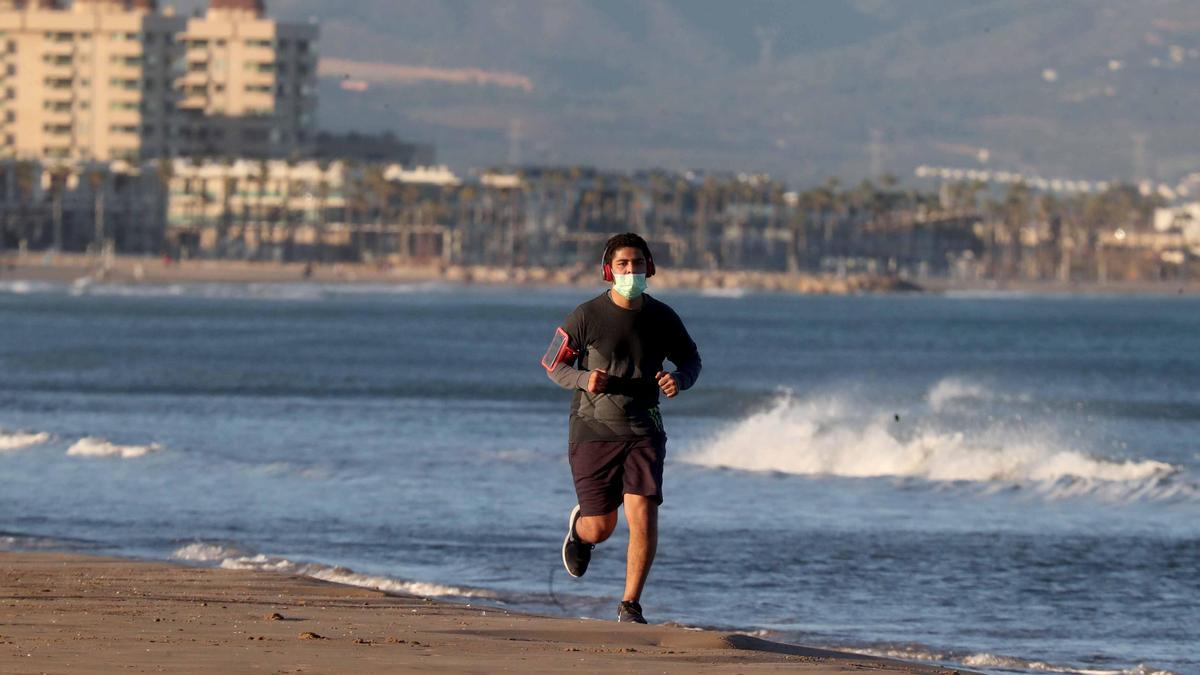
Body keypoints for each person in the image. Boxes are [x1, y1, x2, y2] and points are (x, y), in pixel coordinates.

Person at [541, 232, 702, 624]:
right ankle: (581, 532)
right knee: (602, 527)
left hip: (645, 427)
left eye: (638, 263)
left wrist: (678, 379)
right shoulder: (586, 316)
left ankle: (630, 605)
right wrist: (583, 380)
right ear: (608, 271)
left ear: (651, 268)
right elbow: (552, 364)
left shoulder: (663, 317)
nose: (631, 270)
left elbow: (692, 361)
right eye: (623, 265)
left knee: (644, 514)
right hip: (593, 428)